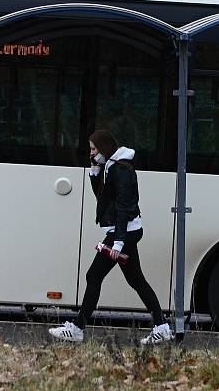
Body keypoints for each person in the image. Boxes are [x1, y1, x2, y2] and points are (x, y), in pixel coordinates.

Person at [49, 130, 171, 344]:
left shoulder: (121, 169)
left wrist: (118, 241)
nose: (92, 153)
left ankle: (77, 329)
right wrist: (95, 172)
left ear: (104, 148)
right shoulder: (111, 167)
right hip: (125, 231)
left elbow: (123, 206)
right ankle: (162, 326)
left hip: (124, 231)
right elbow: (104, 198)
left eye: (94, 149)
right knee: (136, 280)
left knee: (93, 276)